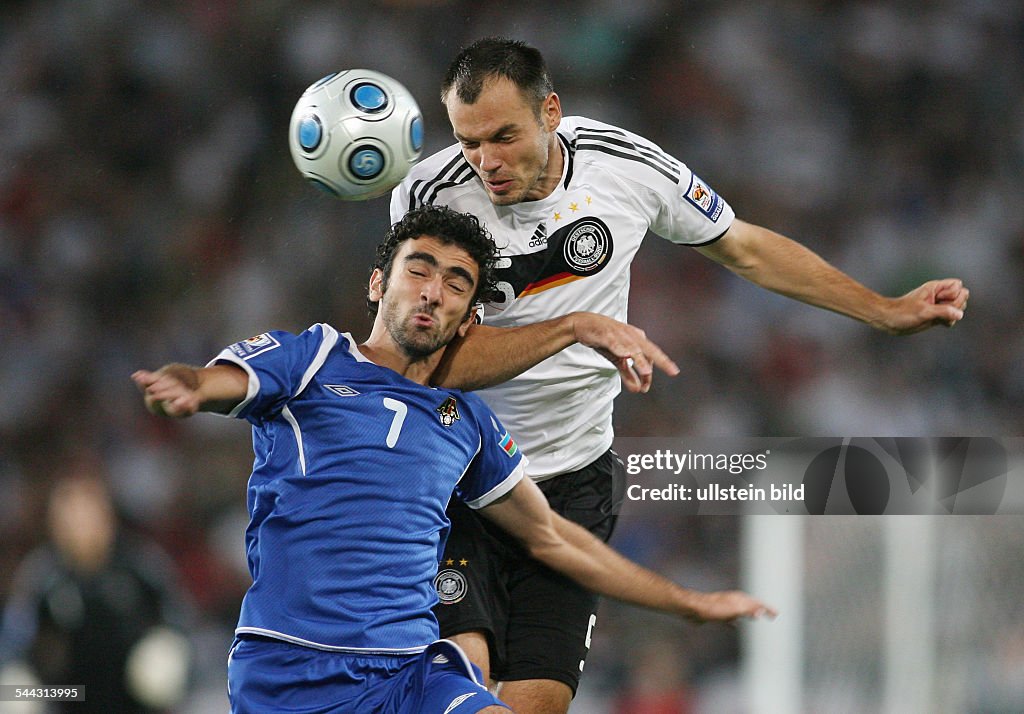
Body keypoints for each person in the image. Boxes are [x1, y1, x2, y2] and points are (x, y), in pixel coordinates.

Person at [390, 37, 971, 713]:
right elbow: (422, 362)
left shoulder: (623, 166)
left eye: (503, 137)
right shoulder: (430, 197)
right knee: (461, 677)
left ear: (550, 111)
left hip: (573, 481)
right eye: (468, 142)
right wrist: (574, 328)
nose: (486, 162)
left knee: (539, 701)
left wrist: (882, 311)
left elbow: (747, 249)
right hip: (456, 475)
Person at [131, 205, 774, 714]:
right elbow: (218, 381)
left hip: (412, 673)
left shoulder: (468, 427)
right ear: (379, 283)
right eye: (419, 269)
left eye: (456, 282)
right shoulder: (313, 361)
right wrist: (188, 385)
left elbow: (554, 540)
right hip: (291, 666)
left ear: (469, 319)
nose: (433, 291)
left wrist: (685, 602)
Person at [0, 460, 194, 713]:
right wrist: (32, 689)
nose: (82, 527)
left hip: (135, 699)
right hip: (71, 697)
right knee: (15, 693)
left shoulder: (138, 565)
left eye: (89, 514)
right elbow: (15, 644)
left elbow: (182, 623)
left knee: (163, 666)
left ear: (107, 516)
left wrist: (167, 653)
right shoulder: (43, 576)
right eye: (71, 516)